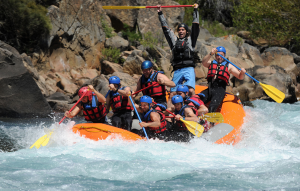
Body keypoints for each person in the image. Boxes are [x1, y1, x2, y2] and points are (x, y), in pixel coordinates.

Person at [157, 3, 200, 105]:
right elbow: (166, 29)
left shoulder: (191, 41)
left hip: (189, 68)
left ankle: (194, 108)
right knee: (172, 93)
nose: (181, 31)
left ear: (186, 31)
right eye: (179, 30)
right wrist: (160, 13)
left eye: (183, 29)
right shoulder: (174, 41)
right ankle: (168, 112)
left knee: (190, 91)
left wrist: (195, 11)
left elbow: (195, 26)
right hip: (177, 70)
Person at [201, 46, 246, 112]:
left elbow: (240, 77)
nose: (219, 57)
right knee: (196, 101)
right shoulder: (211, 63)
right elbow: (203, 62)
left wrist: (242, 73)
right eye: (217, 55)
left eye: (221, 55)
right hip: (210, 88)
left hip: (220, 90)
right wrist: (211, 53)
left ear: (224, 55)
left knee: (212, 107)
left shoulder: (229, 66)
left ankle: (210, 122)